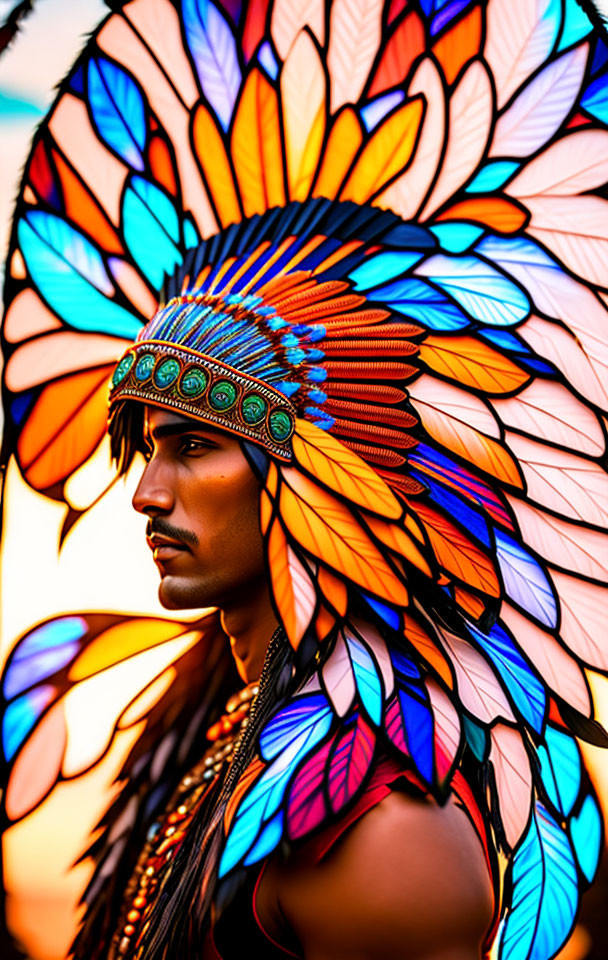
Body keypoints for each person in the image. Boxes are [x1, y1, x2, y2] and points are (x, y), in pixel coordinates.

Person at [1, 2, 607, 960]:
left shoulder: (381, 834)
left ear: (322, 475)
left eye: (197, 446)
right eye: (149, 447)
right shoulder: (221, 737)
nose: (146, 492)